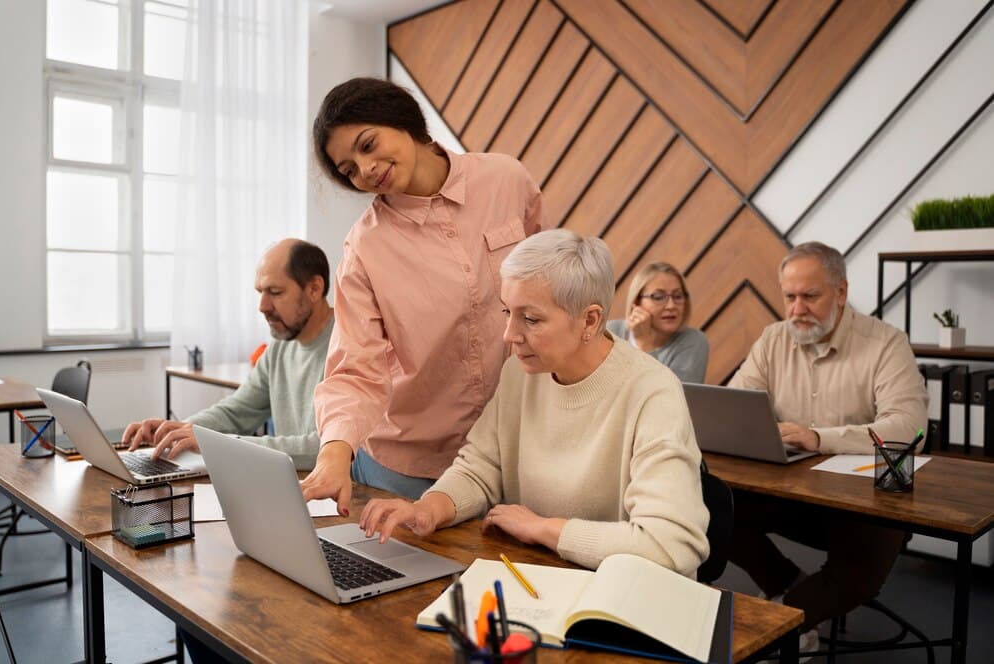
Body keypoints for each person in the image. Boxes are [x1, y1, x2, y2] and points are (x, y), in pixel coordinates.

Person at [359, 230, 709, 575]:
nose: (510, 334)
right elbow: (480, 467)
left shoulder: (653, 393)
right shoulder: (520, 373)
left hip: (618, 600)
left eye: (531, 319)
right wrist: (429, 508)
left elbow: (671, 544)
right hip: (535, 578)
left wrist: (545, 529)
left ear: (590, 320)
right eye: (507, 312)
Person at [301, 78, 542, 512]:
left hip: (518, 448)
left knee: (506, 580)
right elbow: (355, 369)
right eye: (349, 170)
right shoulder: (365, 249)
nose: (366, 169)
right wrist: (335, 451)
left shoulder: (506, 179)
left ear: (401, 117)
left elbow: (548, 279)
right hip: (412, 468)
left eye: (368, 145)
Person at [727, 241, 927, 653]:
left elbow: (907, 428)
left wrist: (820, 438)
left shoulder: (886, 343)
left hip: (864, 501)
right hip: (791, 492)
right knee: (714, 506)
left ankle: (788, 619)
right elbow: (737, 406)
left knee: (859, 568)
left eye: (810, 296)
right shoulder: (773, 340)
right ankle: (790, 594)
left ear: (841, 291)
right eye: (789, 297)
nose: (797, 309)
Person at [123, 239, 335, 470]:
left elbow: (327, 448)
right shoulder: (281, 343)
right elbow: (238, 410)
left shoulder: (349, 347)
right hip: (291, 486)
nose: (262, 306)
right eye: (260, 292)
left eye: (275, 292)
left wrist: (221, 444)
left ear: (314, 288)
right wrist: (179, 430)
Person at [607, 261, 708, 382]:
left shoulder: (693, 341)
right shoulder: (611, 332)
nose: (671, 305)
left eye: (677, 296)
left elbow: (674, 398)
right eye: (658, 297)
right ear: (637, 302)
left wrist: (645, 345)